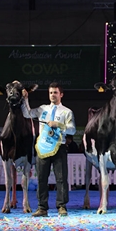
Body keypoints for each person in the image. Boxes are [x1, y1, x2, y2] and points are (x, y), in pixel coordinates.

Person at [22, 82, 76, 217]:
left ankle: (61, 206)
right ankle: (42, 207)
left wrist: (58, 124)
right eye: (51, 92)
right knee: (41, 178)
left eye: (55, 92)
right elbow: (27, 114)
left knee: (61, 178)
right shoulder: (42, 109)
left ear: (61, 95)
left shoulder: (67, 112)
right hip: (43, 147)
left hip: (59, 147)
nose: (52, 95)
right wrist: (25, 99)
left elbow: (73, 129)